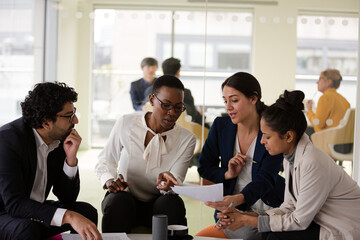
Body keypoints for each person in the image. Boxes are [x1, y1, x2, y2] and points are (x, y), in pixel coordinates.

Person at [215, 90, 360, 240]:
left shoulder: (312, 161)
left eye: (267, 136)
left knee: (273, 236)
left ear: (289, 136)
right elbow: (289, 206)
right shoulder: (291, 156)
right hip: (319, 222)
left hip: (343, 227)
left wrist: (247, 220)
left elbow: (299, 220)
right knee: (266, 231)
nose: (262, 141)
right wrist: (247, 215)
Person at [0, 82, 102, 240]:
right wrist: (69, 216)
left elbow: (67, 198)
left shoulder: (59, 138)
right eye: (69, 116)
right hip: (5, 213)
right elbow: (14, 204)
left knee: (86, 212)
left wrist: (71, 159)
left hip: (34, 210)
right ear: (46, 122)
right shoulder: (7, 141)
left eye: (74, 112)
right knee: (27, 229)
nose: (75, 120)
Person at [95, 75, 196, 233]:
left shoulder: (187, 139)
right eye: (166, 105)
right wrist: (110, 180)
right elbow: (105, 161)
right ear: (152, 100)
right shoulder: (126, 123)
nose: (172, 113)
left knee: (172, 203)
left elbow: (176, 179)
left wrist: (169, 184)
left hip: (159, 203)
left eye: (178, 107)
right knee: (118, 199)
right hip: (125, 199)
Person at [196, 72, 285, 240]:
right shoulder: (220, 127)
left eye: (234, 100)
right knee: (245, 232)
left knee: (249, 233)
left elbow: (266, 178)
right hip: (233, 207)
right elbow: (204, 167)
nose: (228, 107)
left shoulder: (272, 128)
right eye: (225, 101)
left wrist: (238, 199)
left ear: (253, 98)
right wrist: (227, 174)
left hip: (270, 203)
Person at [143, 57, 208, 127]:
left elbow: (145, 108)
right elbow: (193, 114)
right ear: (178, 72)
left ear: (163, 70)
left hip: (154, 128)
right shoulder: (184, 93)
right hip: (179, 129)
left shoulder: (149, 91)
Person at [306, 69, 350, 133]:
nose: (317, 82)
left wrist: (309, 110)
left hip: (326, 138)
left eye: (320, 79)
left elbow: (318, 123)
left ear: (329, 82)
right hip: (340, 139)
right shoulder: (344, 100)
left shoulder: (325, 98)